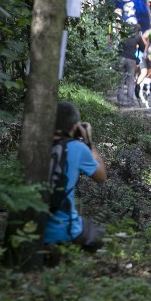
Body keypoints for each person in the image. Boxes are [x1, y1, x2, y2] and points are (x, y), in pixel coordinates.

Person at [45, 101, 108, 248]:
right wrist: (89, 143)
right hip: (64, 230)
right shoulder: (77, 149)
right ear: (75, 127)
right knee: (99, 235)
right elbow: (102, 177)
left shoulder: (36, 143)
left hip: (31, 227)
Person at [117, 25, 145, 107]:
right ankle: (130, 101)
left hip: (121, 58)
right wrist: (138, 58)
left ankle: (120, 101)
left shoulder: (123, 36)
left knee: (120, 80)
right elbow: (142, 48)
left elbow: (119, 47)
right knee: (130, 81)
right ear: (138, 31)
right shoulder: (138, 37)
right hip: (131, 60)